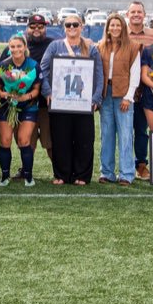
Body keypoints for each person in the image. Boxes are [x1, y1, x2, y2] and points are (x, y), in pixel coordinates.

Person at [41, 14, 103, 187]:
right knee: (61, 139)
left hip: (83, 102)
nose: (72, 27)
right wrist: (47, 92)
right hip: (60, 102)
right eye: (68, 25)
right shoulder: (55, 46)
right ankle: (62, 174)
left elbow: (99, 74)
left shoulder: (91, 49)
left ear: (82, 26)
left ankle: (82, 175)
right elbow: (43, 70)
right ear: (64, 27)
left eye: (75, 24)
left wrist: (96, 97)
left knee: (84, 139)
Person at [96, 14, 139, 185]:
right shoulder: (100, 46)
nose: (115, 28)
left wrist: (128, 97)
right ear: (107, 28)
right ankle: (106, 172)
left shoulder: (133, 47)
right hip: (106, 94)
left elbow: (135, 75)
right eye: (112, 25)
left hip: (123, 95)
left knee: (125, 134)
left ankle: (126, 174)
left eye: (118, 25)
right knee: (106, 134)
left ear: (123, 27)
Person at [0, 35, 42, 185]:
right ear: (9, 48)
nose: (16, 49)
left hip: (28, 106)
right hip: (7, 106)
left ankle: (28, 176)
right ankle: (5, 176)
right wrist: (5, 94)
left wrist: (25, 96)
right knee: (5, 140)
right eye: (13, 47)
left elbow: (36, 90)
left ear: (25, 47)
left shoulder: (33, 65)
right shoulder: (3, 66)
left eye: (19, 46)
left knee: (23, 140)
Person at [125, 1, 153, 180]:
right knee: (124, 129)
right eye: (133, 12)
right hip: (125, 89)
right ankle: (125, 164)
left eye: (139, 12)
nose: (136, 14)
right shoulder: (120, 33)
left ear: (144, 15)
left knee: (141, 129)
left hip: (147, 89)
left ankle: (141, 164)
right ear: (128, 15)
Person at [23, 15, 57, 171]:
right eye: (33, 26)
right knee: (26, 140)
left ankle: (59, 170)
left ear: (45, 28)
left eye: (40, 26)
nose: (36, 29)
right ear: (27, 28)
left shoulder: (54, 44)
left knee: (50, 140)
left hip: (46, 103)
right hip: (25, 103)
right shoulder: (20, 44)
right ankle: (26, 169)